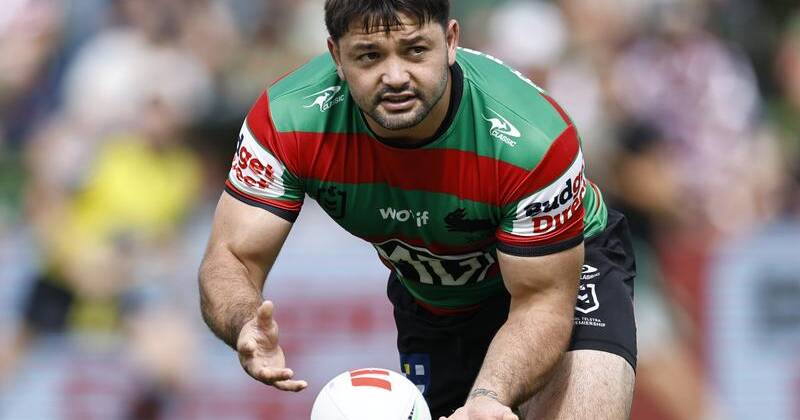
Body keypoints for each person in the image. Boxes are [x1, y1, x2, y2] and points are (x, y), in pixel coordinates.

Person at [198, 1, 636, 418]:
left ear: (450, 41)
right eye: (369, 56)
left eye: (415, 50)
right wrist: (242, 323)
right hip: (434, 295)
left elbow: (540, 302)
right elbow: (232, 256)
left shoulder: (530, 140)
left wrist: (489, 396)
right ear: (335, 54)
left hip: (566, 272)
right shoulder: (287, 121)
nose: (395, 76)